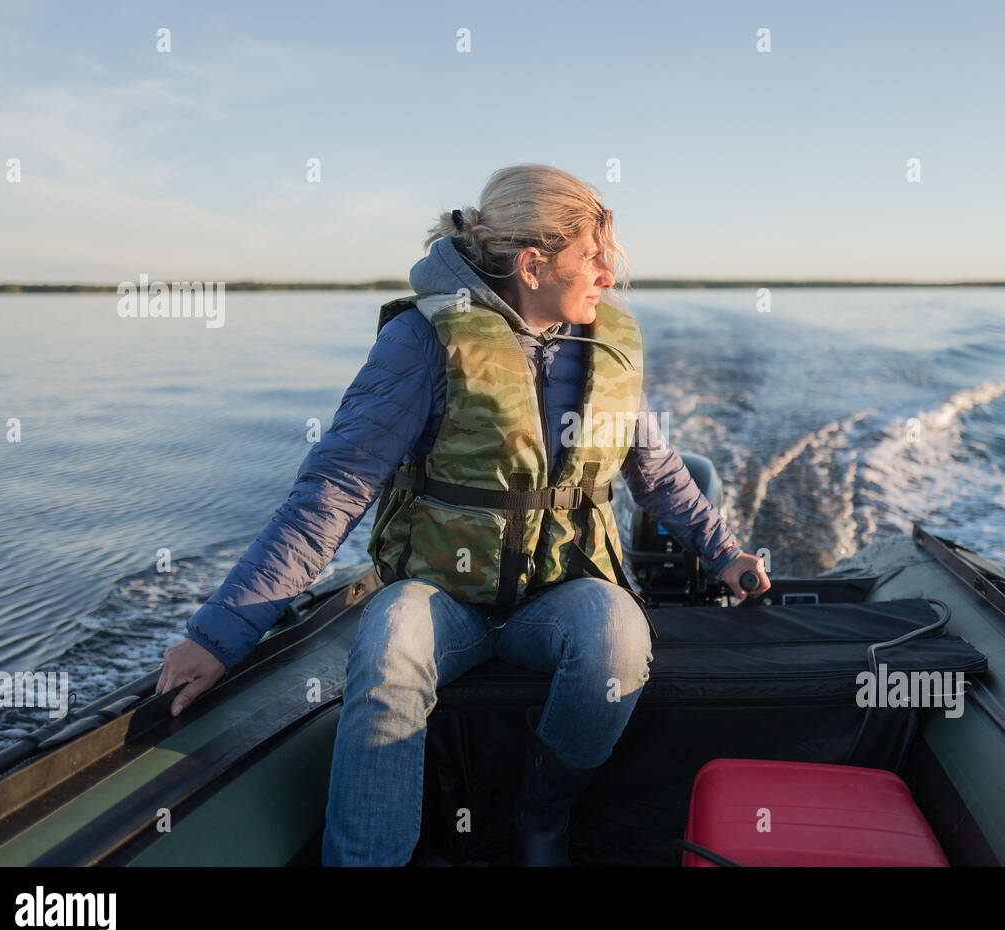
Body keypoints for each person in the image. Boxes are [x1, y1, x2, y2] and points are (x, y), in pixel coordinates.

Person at [155, 164, 771, 866]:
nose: (610, 273)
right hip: (444, 599)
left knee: (617, 634)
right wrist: (218, 635)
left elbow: (658, 475)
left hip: (558, 601)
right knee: (390, 636)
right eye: (593, 256)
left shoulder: (606, 348)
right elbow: (331, 494)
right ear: (533, 264)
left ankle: (543, 813)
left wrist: (725, 555)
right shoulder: (421, 342)